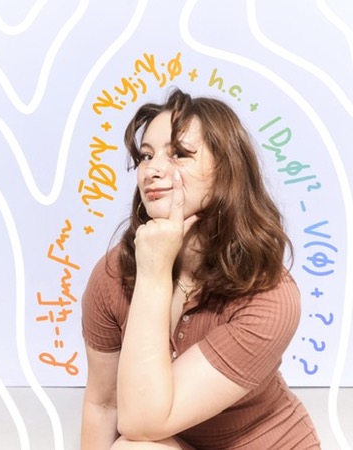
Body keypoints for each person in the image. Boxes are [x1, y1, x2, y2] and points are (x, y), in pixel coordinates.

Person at [80, 88, 321, 449]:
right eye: (146, 156)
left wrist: (156, 275)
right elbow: (105, 404)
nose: (153, 169)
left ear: (226, 171)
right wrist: (152, 272)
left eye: (179, 154)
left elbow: (142, 419)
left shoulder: (271, 295)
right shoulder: (114, 275)